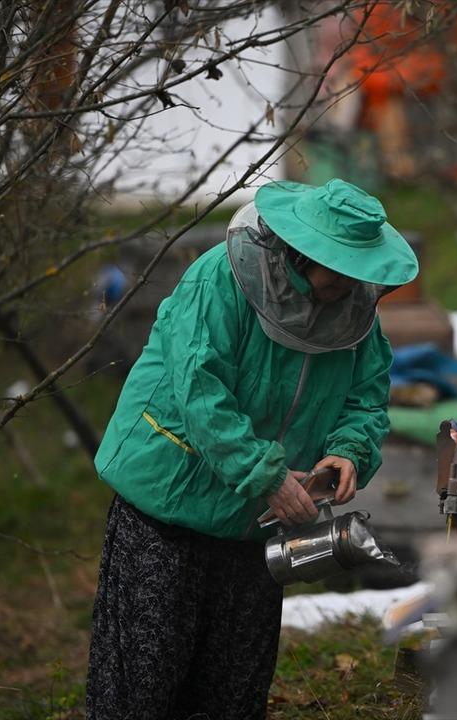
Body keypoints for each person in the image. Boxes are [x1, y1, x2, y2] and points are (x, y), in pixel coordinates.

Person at [85, 178, 418, 719]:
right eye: (340, 269)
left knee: (232, 693)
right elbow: (200, 390)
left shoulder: (356, 310)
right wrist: (265, 474)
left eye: (359, 271)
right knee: (143, 689)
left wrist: (349, 450)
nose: (350, 283)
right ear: (303, 253)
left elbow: (367, 395)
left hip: (254, 528)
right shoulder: (219, 279)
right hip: (169, 508)